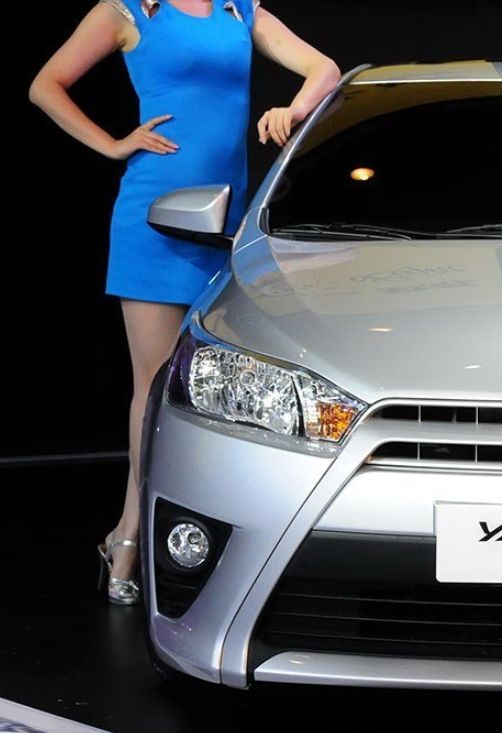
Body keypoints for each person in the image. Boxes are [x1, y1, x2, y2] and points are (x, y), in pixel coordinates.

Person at [29, 0, 341, 605]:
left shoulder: (238, 11)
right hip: (153, 219)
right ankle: (130, 535)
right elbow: (46, 85)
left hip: (223, 223)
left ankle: (179, 534)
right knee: (153, 387)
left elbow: (324, 69)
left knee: (208, 386)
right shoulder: (128, 12)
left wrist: (293, 109)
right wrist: (113, 144)